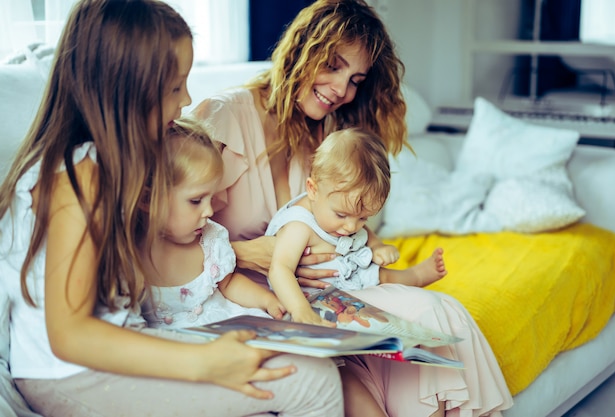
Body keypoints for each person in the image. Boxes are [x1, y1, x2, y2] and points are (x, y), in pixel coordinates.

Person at [0, 1, 343, 416]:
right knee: (313, 383)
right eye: (175, 87)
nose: (187, 99)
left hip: (111, 353)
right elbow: (69, 335)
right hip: (70, 374)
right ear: (127, 89)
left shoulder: (104, 166)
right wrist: (202, 363)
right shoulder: (82, 175)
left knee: (293, 360)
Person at [193, 0, 513, 416]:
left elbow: (349, 225)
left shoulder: (328, 137)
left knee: (440, 315)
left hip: (329, 294)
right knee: (361, 372)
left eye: (355, 79)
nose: (342, 90)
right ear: (301, 50)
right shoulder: (223, 117)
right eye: (333, 65)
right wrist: (247, 252)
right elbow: (164, 241)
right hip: (256, 301)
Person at [265, 127, 446, 327]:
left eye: (363, 218)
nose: (351, 226)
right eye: (341, 215)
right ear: (312, 189)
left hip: (349, 277)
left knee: (381, 275)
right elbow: (280, 269)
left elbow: (364, 234)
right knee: (374, 279)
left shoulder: (342, 217)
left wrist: (377, 247)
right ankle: (412, 278)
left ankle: (415, 276)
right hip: (310, 296)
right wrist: (299, 309)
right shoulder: (298, 225)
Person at [140, 116, 285, 328]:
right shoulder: (129, 254)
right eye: (196, 200)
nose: (209, 211)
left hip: (223, 324)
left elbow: (229, 283)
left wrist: (267, 301)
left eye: (211, 198)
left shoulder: (210, 240)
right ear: (148, 199)